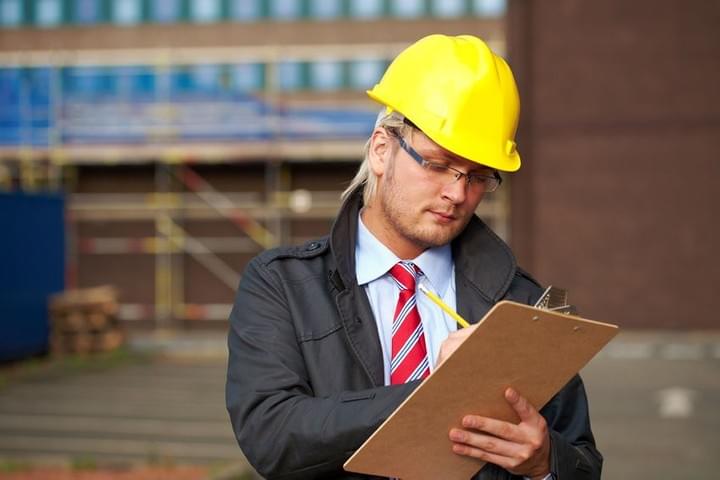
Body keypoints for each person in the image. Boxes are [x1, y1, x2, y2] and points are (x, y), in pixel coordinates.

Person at [226, 34, 602, 480]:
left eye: (478, 176)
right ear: (382, 149)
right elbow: (271, 436)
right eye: (438, 164)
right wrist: (438, 394)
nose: (457, 193)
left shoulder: (523, 304)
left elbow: (583, 464)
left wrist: (545, 463)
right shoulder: (282, 285)